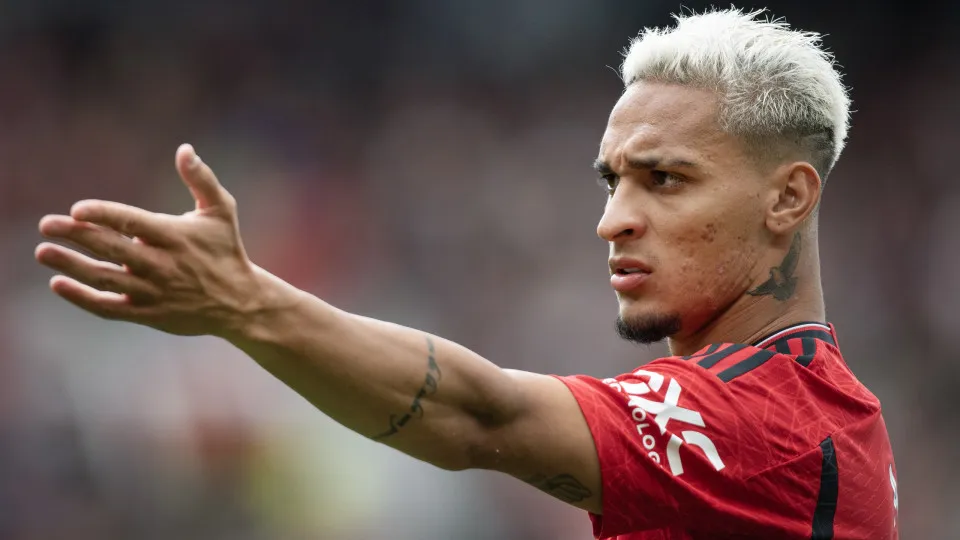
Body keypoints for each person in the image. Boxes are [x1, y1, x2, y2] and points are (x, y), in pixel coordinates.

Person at [34, 8, 898, 540]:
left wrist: (245, 304)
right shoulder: (802, 412)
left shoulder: (773, 429)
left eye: (665, 179)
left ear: (788, 197)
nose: (613, 219)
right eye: (613, 182)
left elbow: (482, 413)